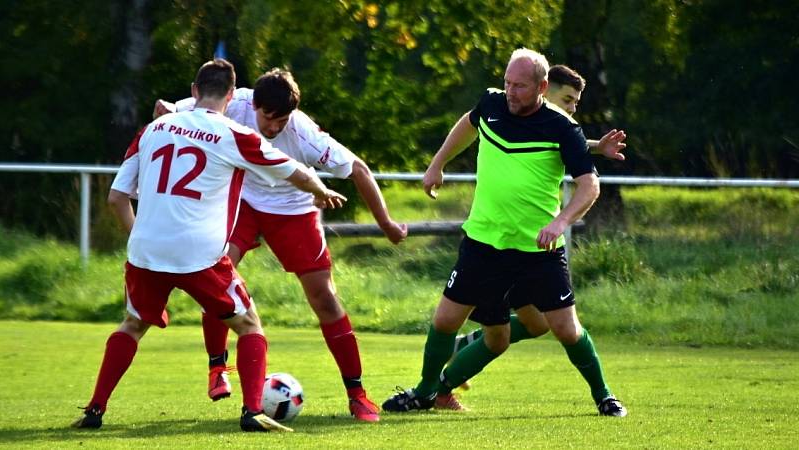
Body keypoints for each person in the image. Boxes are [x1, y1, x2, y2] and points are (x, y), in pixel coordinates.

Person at [72, 59, 347, 432]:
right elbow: (290, 169)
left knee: (133, 325)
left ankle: (94, 410)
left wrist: (142, 239)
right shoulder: (233, 133)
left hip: (146, 250)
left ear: (194, 90)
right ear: (232, 95)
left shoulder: (152, 129)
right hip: (201, 253)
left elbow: (117, 198)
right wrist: (320, 189)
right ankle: (253, 412)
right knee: (249, 326)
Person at [381, 48, 627, 417]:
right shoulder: (492, 104)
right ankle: (425, 392)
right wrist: (437, 163)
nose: (510, 91)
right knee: (456, 324)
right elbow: (468, 123)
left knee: (564, 328)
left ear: (542, 87)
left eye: (520, 86)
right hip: (483, 243)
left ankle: (605, 396)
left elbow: (589, 186)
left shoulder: (562, 127)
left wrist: (560, 223)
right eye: (507, 82)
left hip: (536, 252)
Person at [153, 68, 407, 423]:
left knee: (325, 299)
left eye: (281, 121)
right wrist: (164, 109)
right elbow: (171, 108)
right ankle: (217, 368)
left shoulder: (303, 132)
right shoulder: (234, 102)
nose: (273, 128)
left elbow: (360, 170)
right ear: (252, 104)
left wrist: (388, 225)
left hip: (294, 209)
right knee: (218, 274)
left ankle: (357, 395)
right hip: (243, 202)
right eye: (267, 119)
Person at [448, 64, 628, 394]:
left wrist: (595, 147)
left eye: (577, 103)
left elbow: (559, 139)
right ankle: (443, 377)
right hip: (497, 242)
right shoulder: (509, 108)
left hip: (532, 246)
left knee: (538, 324)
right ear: (546, 90)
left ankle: (459, 350)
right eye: (568, 99)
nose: (573, 108)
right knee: (513, 330)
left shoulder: (556, 126)